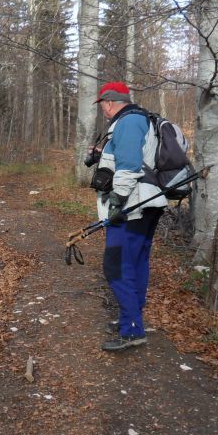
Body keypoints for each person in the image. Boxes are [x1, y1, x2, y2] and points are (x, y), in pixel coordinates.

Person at [86, 82, 166, 352]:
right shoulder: (137, 120)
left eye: (102, 106)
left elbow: (130, 165)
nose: (103, 111)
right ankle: (131, 318)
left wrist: (118, 200)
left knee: (116, 265)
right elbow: (131, 157)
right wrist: (101, 155)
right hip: (147, 201)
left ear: (108, 102)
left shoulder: (129, 122)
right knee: (135, 261)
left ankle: (132, 329)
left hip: (133, 204)